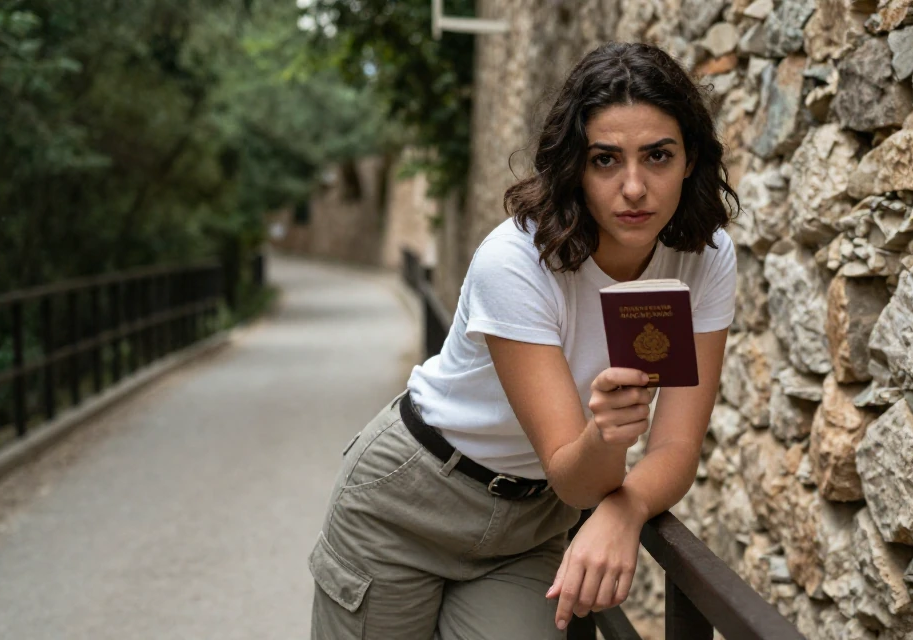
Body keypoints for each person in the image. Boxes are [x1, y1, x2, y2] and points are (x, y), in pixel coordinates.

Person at [308, 41, 739, 639]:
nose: (635, 187)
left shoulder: (704, 259)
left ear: (690, 159)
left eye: (658, 156)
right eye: (606, 160)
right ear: (575, 167)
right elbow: (573, 469)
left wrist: (626, 506)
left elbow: (675, 446)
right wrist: (608, 432)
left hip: (530, 526)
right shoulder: (517, 260)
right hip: (408, 502)